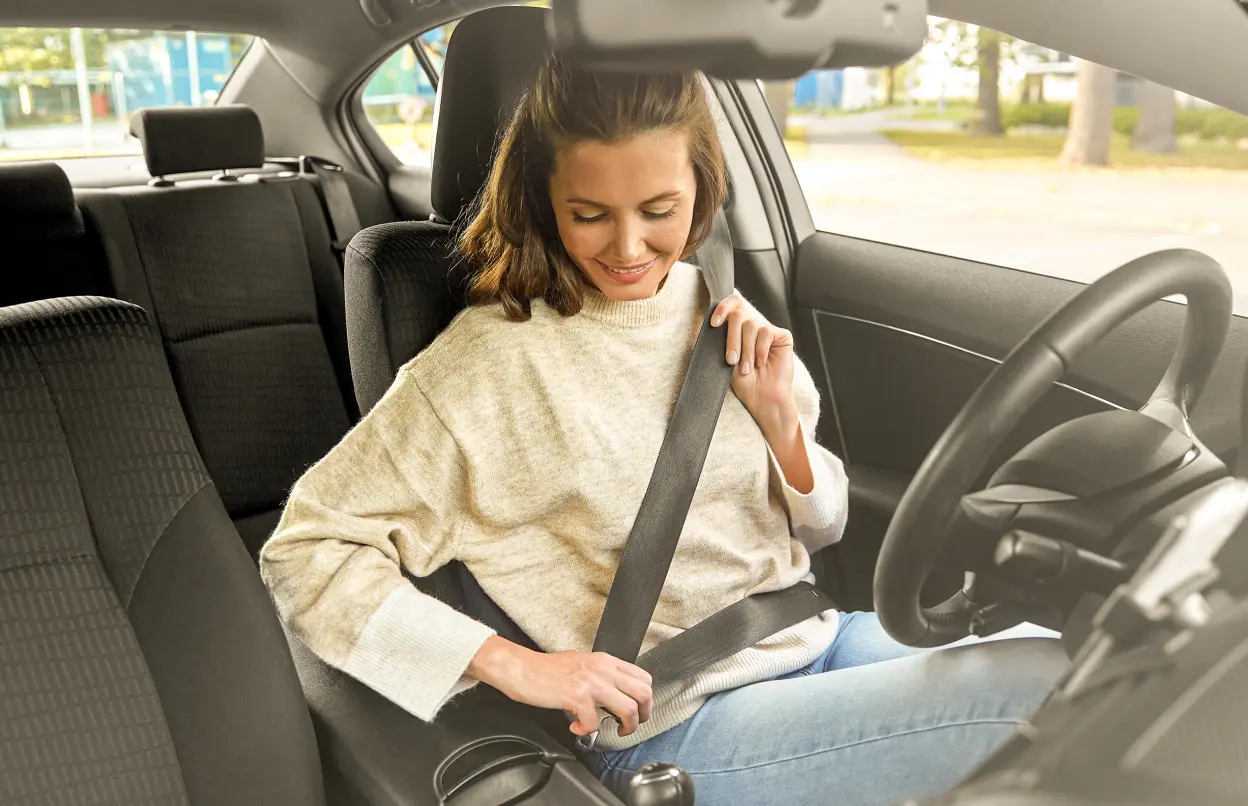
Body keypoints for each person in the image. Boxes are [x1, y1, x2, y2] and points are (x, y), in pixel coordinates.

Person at [259, 55, 1068, 806]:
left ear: (701, 188)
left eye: (659, 211)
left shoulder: (717, 312)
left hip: (812, 639)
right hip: (677, 718)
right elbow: (303, 552)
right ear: (544, 200)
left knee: (1092, 662)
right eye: (589, 214)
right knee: (1044, 695)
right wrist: (515, 668)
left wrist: (782, 424)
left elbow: (824, 529)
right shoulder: (483, 371)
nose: (629, 247)